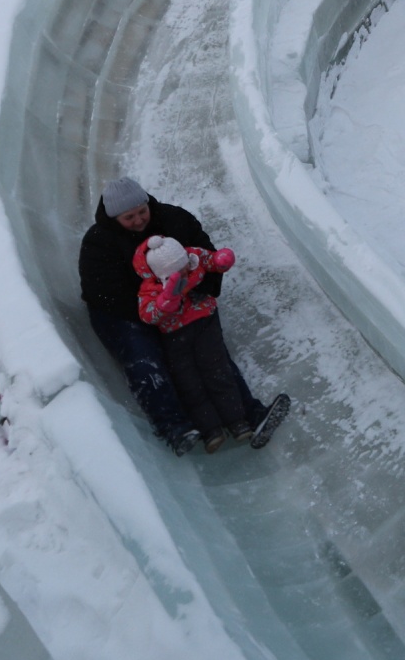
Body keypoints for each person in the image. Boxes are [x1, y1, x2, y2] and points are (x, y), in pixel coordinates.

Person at [79, 178, 288, 454]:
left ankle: (249, 414)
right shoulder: (99, 243)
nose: (139, 220)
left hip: (178, 300)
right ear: (114, 217)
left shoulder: (172, 219)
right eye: (129, 217)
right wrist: (155, 313)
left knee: (209, 352)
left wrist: (198, 289)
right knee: (147, 358)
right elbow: (103, 293)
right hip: (123, 311)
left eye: (142, 212)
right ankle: (175, 426)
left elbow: (205, 255)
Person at [134, 234, 288, 452]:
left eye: (185, 266)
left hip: (205, 323)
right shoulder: (150, 288)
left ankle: (237, 421)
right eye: (179, 271)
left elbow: (209, 259)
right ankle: (210, 429)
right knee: (189, 382)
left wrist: (221, 260)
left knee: (217, 371)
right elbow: (148, 314)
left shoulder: (192, 257)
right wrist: (167, 300)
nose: (187, 271)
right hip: (175, 335)